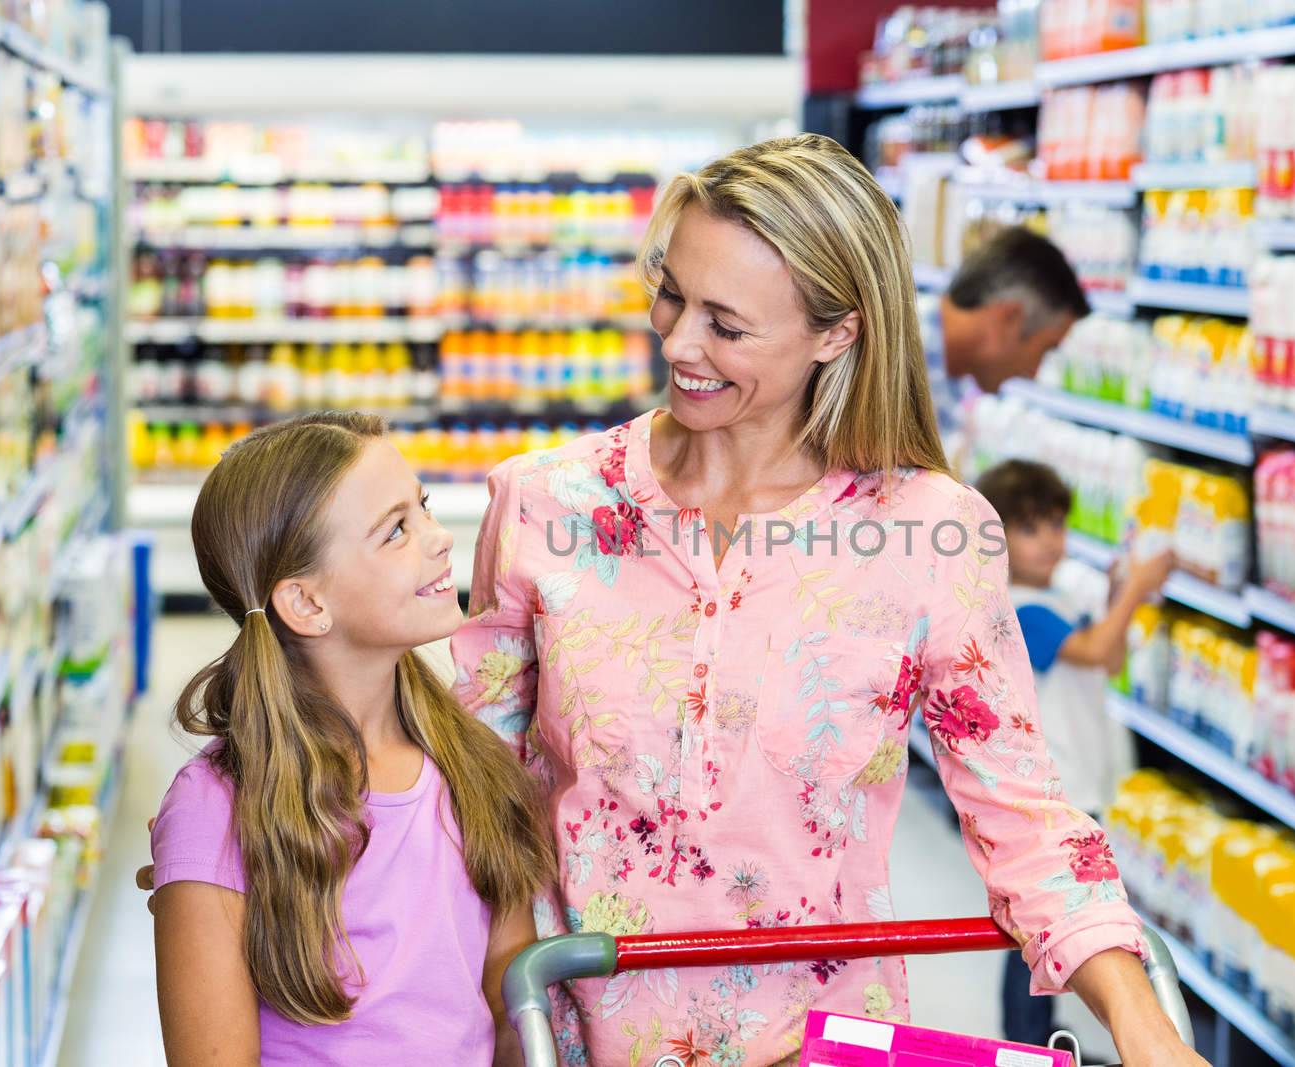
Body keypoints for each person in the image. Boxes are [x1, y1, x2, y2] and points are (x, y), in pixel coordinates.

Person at [449, 134, 1205, 1067]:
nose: (679, 340)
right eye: (672, 292)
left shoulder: (931, 531)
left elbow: (1025, 814)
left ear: (835, 332)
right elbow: (480, 784)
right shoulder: (545, 503)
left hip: (823, 1046)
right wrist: (501, 988)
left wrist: (1145, 1027)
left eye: (727, 324)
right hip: (576, 1034)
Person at [147, 412, 556, 1066]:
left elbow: (511, 1007)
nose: (439, 537)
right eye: (396, 529)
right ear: (306, 603)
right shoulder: (215, 810)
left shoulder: (470, 765)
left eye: (421, 506)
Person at [974, 458, 1176, 1051]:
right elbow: (1096, 650)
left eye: (1058, 526)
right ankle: (1027, 1045)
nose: (1051, 542)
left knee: (1055, 923)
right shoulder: (1019, 608)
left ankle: (1040, 1042)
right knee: (1039, 927)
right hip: (1059, 786)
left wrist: (1118, 595)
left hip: (1085, 775)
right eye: (1032, 528)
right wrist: (1136, 592)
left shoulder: (1058, 597)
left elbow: (1111, 661)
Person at [920, 226, 1091, 458]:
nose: (1034, 372)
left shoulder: (944, 381)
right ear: (1009, 319)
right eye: (1045, 349)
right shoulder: (886, 362)